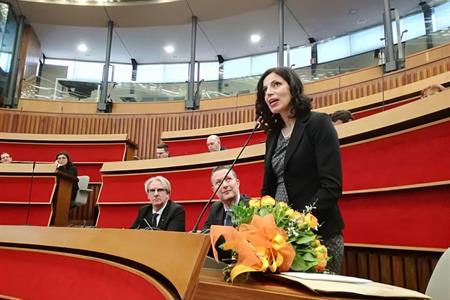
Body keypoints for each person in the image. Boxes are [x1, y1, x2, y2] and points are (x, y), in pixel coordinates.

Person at [255, 67, 344, 274]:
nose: (269, 92)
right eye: (265, 89)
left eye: (276, 84)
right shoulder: (273, 136)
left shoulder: (318, 124)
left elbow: (331, 187)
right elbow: (268, 189)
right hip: (279, 241)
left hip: (318, 238)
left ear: (293, 88)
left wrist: (297, 223)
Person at [202, 165, 249, 231]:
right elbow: (206, 231)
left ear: (237, 183)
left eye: (228, 179)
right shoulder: (215, 208)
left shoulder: (251, 207)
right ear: (214, 190)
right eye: (219, 182)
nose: (225, 185)